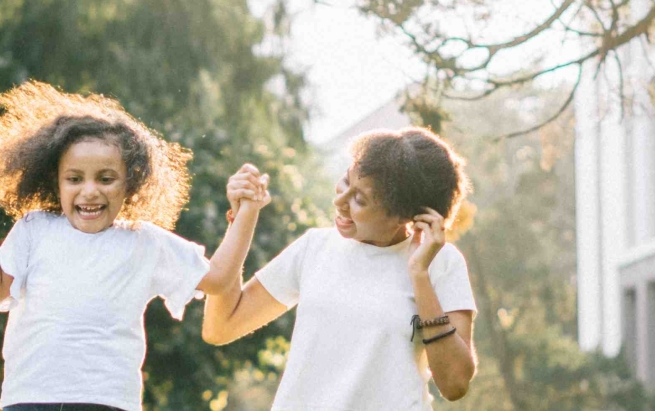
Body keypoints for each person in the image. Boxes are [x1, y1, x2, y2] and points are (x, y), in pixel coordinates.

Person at [0, 81, 261, 411]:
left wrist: (246, 211)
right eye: (74, 179)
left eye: (105, 178)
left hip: (108, 402)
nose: (89, 191)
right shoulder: (35, 228)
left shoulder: (145, 241)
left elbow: (219, 278)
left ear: (131, 182)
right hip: (29, 400)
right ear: (55, 182)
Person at [201, 127, 479, 410]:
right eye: (345, 182)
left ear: (405, 216)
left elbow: (455, 384)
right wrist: (242, 218)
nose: (339, 202)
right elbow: (221, 327)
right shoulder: (314, 247)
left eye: (360, 199)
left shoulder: (441, 263)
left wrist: (420, 275)